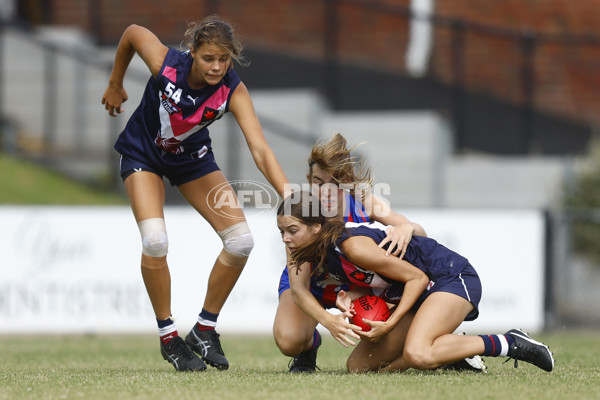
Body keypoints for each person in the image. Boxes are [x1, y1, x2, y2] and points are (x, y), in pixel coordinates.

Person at [101, 16, 289, 372]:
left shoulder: (233, 90)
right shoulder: (166, 64)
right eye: (208, 59)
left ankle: (204, 329)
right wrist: (115, 82)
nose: (217, 67)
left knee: (241, 242)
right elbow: (131, 33)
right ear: (193, 53)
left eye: (224, 59)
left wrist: (289, 195)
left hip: (191, 160)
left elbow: (261, 150)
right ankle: (169, 337)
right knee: (155, 241)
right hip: (144, 153)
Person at [277, 192, 555, 373]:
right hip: (414, 293)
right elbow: (377, 279)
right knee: (359, 368)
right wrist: (351, 294)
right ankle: (452, 352)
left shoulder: (352, 246)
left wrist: (390, 323)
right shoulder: (313, 249)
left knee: (419, 353)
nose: (285, 239)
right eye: (281, 231)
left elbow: (417, 277)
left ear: (316, 229)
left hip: (449, 278)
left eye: (292, 231)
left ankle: (508, 342)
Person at [273, 133, 430, 372]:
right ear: (308, 180)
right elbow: (298, 288)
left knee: (381, 328)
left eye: (333, 184)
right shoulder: (300, 213)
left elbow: (420, 233)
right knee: (289, 341)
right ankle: (309, 346)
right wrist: (329, 321)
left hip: (358, 287)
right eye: (318, 182)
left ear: (345, 182)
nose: (325, 191)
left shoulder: (363, 200)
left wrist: (406, 227)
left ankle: (431, 343)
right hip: (313, 286)